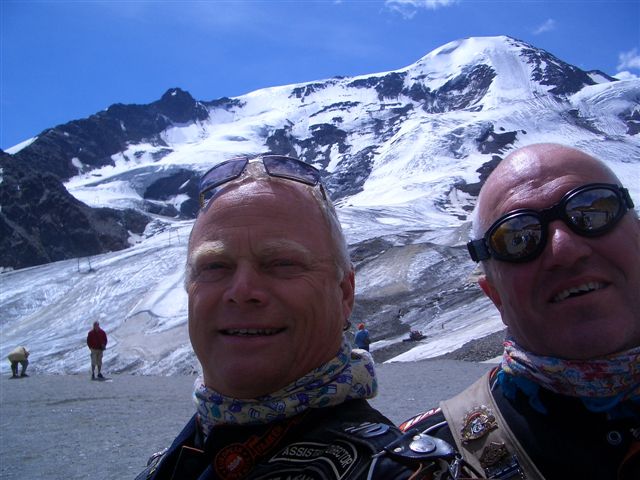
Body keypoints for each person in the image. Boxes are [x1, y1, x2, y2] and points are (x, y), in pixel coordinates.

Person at [136, 155, 441, 480]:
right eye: (214, 266)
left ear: (344, 293)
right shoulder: (182, 455)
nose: (242, 291)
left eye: (282, 263)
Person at [399, 144, 640, 479]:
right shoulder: (425, 464)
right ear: (495, 295)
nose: (564, 249)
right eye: (518, 237)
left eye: (593, 210)